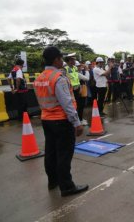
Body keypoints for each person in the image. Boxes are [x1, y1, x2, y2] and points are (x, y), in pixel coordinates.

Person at [33, 46, 88, 197]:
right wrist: (76, 123)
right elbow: (67, 103)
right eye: (61, 58)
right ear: (56, 59)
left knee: (50, 152)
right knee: (64, 154)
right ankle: (67, 186)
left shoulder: (39, 78)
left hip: (46, 119)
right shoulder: (58, 78)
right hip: (61, 121)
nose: (62, 61)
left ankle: (53, 181)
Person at [77, 61, 90, 125]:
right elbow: (87, 78)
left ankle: (80, 118)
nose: (80, 67)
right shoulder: (77, 73)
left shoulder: (79, 72)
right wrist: (87, 70)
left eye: (79, 66)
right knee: (80, 106)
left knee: (81, 106)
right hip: (79, 91)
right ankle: (80, 120)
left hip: (81, 90)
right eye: (78, 66)